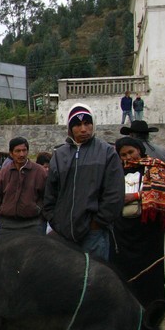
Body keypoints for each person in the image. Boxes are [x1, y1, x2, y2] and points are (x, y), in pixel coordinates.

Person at [43, 103, 124, 262]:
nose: (83, 129)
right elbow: (50, 193)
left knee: (93, 281)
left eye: (87, 123)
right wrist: (55, 220)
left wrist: (97, 223)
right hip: (64, 234)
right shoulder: (59, 156)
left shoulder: (106, 152)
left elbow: (114, 194)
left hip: (94, 234)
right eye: (78, 124)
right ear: (70, 128)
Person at [110, 137, 165, 306]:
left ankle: (152, 305)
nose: (128, 157)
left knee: (151, 268)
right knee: (123, 267)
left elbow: (164, 192)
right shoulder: (115, 171)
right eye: (123, 154)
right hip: (123, 230)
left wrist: (135, 196)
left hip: (149, 229)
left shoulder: (156, 168)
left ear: (139, 150)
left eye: (131, 152)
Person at [0, 136, 47, 234]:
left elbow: (47, 196)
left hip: (33, 224)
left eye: (24, 150)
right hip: (7, 225)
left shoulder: (40, 172)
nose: (22, 154)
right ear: (11, 153)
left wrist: (40, 213)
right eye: (18, 151)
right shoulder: (4, 173)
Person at [120, 120, 165, 192]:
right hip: (162, 195)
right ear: (147, 135)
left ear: (132, 135)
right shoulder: (162, 151)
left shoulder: (128, 154)